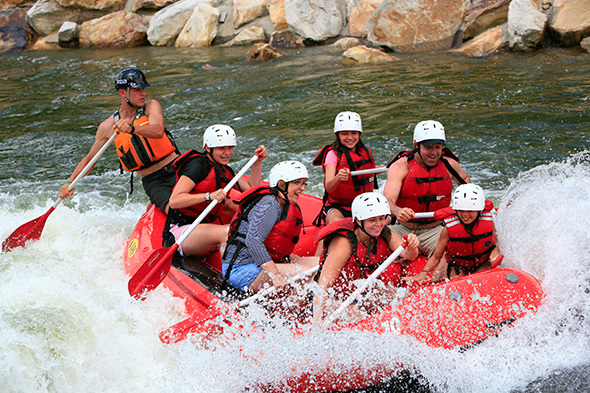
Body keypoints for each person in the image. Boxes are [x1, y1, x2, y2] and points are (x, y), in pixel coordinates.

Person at [59, 68, 179, 214]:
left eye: (143, 88)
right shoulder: (107, 127)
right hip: (153, 181)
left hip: (177, 169)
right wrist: (70, 182)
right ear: (123, 93)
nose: (143, 93)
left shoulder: (151, 106)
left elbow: (158, 131)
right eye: (137, 90)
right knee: (175, 212)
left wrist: (132, 129)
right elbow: (90, 160)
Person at [313, 192, 419, 324]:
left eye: (381, 218)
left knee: (408, 298)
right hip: (332, 298)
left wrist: (412, 246)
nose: (378, 224)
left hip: (359, 294)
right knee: (362, 320)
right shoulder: (344, 243)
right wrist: (317, 321)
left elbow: (409, 255)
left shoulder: (384, 232)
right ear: (358, 220)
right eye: (372, 220)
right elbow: (324, 284)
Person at [166, 124, 267, 258]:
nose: (227, 152)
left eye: (230, 147)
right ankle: (233, 275)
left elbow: (251, 190)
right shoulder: (197, 166)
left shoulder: (225, 170)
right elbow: (174, 201)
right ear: (208, 148)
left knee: (242, 226)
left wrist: (258, 162)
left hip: (202, 228)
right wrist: (209, 196)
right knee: (228, 232)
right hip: (179, 232)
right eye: (221, 148)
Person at [221, 160, 319, 293]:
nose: (302, 187)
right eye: (297, 183)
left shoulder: (282, 203)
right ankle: (303, 310)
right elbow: (253, 240)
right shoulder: (269, 204)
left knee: (320, 264)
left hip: (259, 264)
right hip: (241, 268)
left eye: (303, 183)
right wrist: (276, 275)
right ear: (282, 184)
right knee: (306, 273)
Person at [383, 120, 470, 262]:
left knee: (457, 252)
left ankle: (438, 280)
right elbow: (387, 201)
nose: (434, 152)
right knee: (377, 240)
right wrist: (398, 211)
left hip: (436, 229)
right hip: (403, 229)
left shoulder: (450, 165)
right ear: (417, 145)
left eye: (438, 147)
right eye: (429, 147)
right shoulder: (400, 166)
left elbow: (468, 187)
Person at [403, 184, 501, 284]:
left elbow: (496, 244)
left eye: (470, 211)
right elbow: (436, 256)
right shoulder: (448, 229)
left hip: (482, 263)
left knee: (481, 279)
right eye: (461, 210)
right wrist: (423, 273)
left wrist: (495, 253)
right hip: (458, 265)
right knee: (457, 282)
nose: (465, 215)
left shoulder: (489, 223)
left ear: (479, 210)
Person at [312, 111, 377, 225]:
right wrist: (338, 177)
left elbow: (370, 170)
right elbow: (329, 187)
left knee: (385, 220)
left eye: (354, 133)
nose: (350, 137)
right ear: (337, 134)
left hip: (364, 205)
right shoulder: (332, 155)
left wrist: (389, 167)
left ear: (359, 134)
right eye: (344, 133)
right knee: (337, 224)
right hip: (338, 207)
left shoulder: (364, 152)